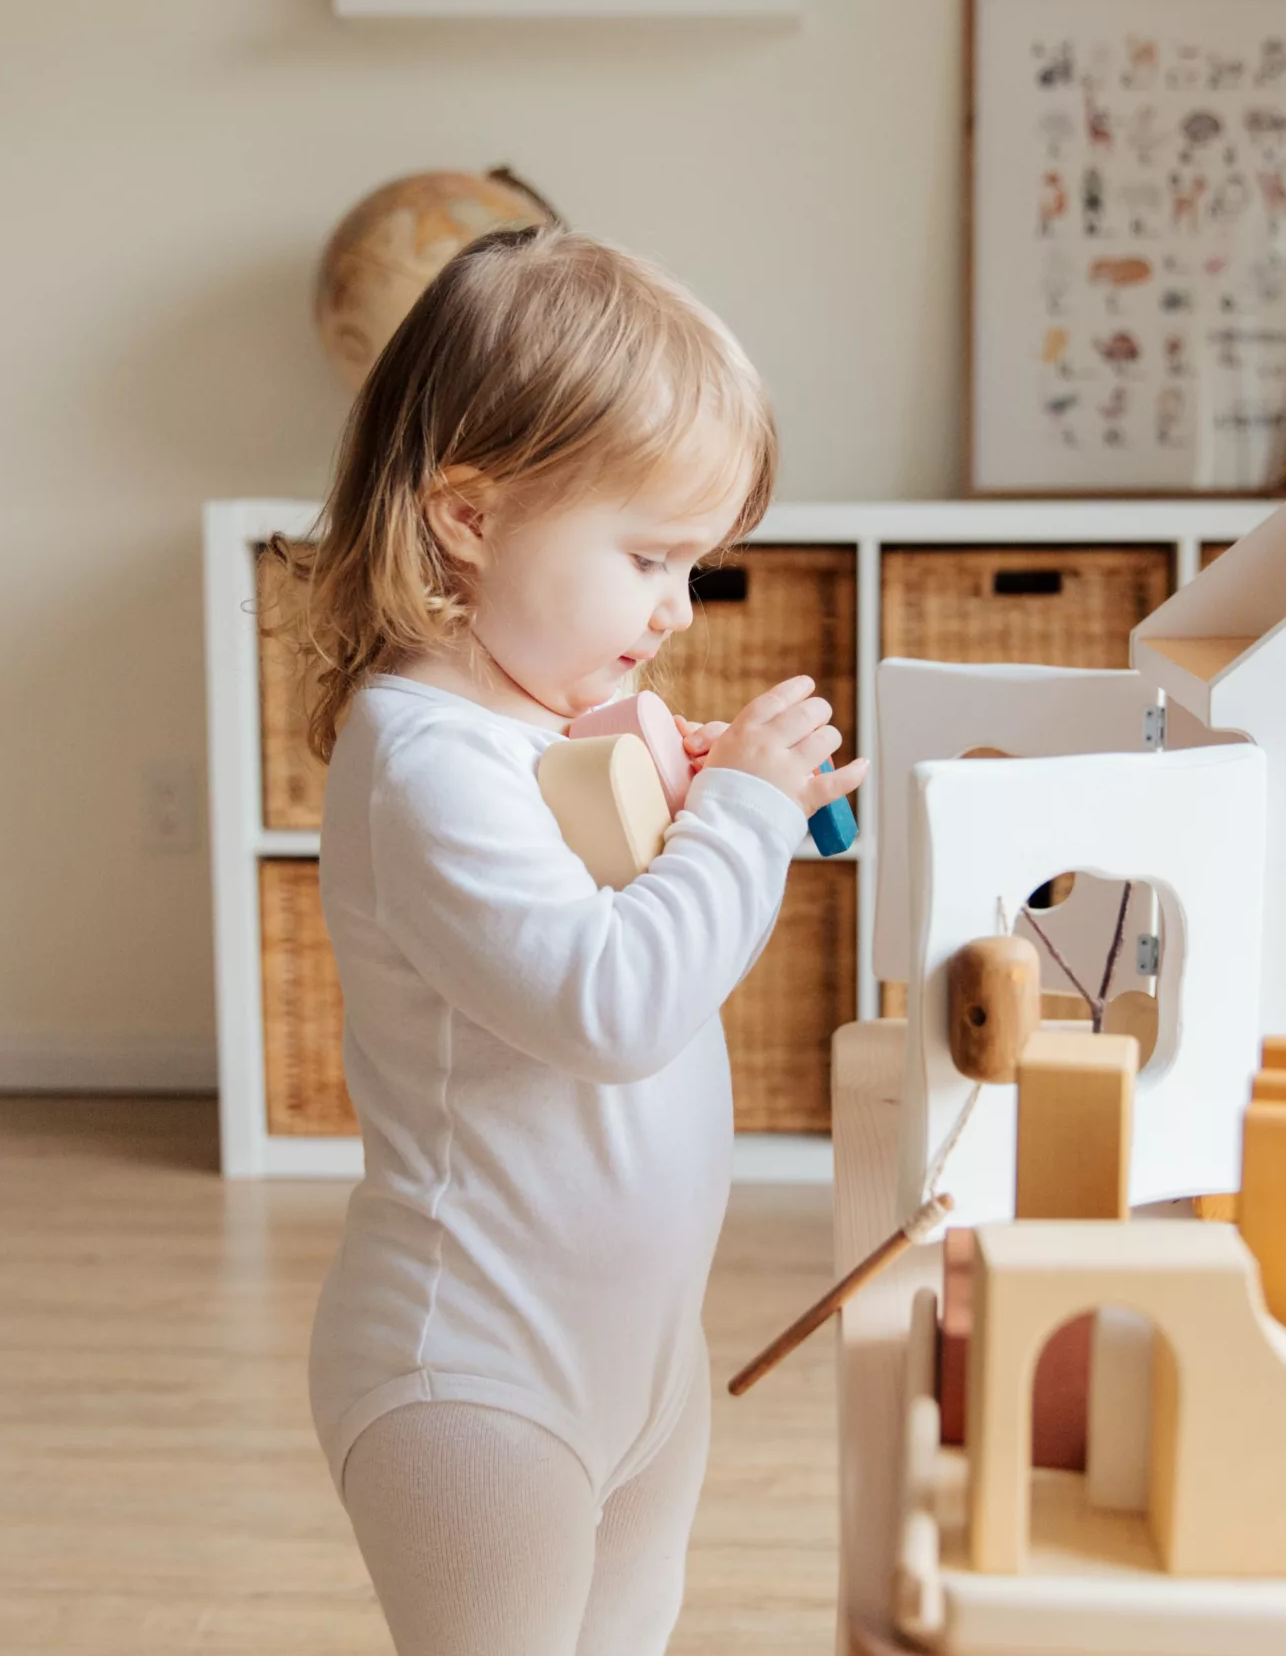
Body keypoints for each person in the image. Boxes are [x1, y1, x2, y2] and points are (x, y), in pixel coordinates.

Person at [284, 221, 863, 1654]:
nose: (677, 609)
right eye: (654, 556)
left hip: (639, 1352)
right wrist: (734, 817)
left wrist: (690, 803)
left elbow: (618, 910)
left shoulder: (531, 727)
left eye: (700, 564)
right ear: (469, 518)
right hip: (477, 1372)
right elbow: (612, 1003)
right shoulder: (426, 759)